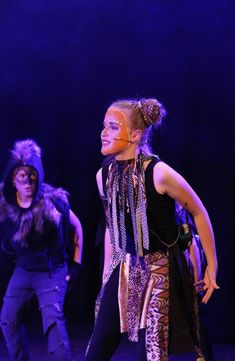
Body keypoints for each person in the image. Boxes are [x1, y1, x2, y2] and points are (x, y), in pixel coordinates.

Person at [85, 98, 219, 361]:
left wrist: (211, 266)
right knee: (97, 347)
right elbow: (113, 227)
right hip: (124, 266)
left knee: (153, 353)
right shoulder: (104, 175)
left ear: (135, 135)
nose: (104, 133)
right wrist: (106, 275)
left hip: (160, 270)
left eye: (113, 127)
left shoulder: (158, 172)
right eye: (104, 126)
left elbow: (198, 212)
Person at [0, 139, 83, 361]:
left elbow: (77, 227)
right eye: (21, 177)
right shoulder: (4, 202)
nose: (27, 182)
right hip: (24, 269)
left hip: (50, 269)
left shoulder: (52, 201)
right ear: (13, 179)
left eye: (32, 176)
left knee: (52, 318)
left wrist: (75, 263)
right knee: (8, 319)